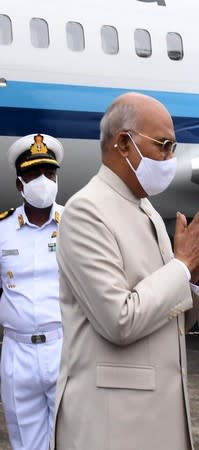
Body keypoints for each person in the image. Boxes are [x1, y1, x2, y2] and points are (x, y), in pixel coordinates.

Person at [52, 92, 199, 450]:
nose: (170, 158)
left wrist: (193, 274)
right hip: (114, 424)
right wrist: (181, 265)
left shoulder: (144, 208)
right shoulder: (87, 210)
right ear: (123, 143)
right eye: (164, 146)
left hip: (157, 419)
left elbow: (173, 318)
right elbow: (120, 320)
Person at [0, 133, 65, 450]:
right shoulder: (2, 229)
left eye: (49, 173)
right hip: (17, 351)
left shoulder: (75, 223)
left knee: (72, 438)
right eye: (33, 174)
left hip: (63, 346)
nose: (43, 181)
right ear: (19, 184)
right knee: (25, 443)